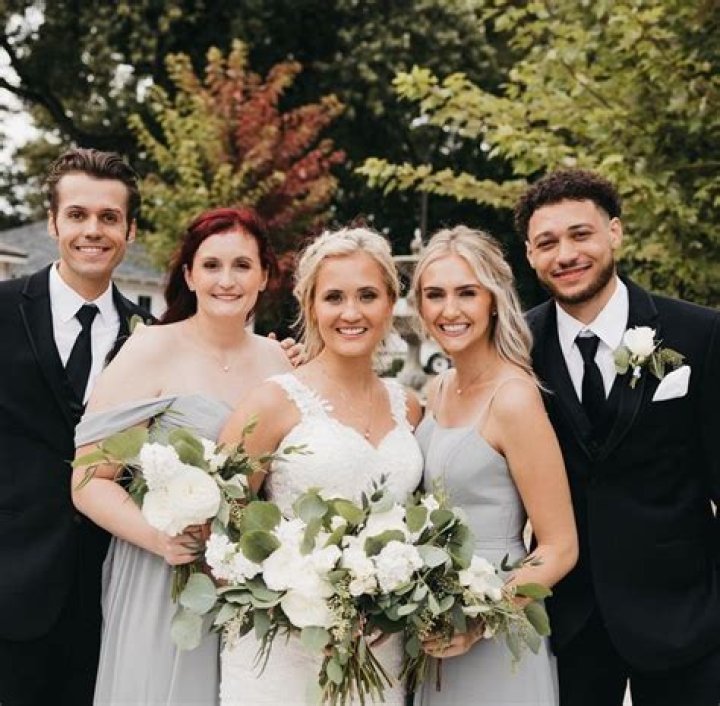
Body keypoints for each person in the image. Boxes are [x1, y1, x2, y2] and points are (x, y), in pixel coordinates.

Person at [71, 207, 293, 705]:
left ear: (264, 276)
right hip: (164, 577)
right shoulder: (150, 349)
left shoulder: (280, 360)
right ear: (189, 276)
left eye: (242, 265)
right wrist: (159, 536)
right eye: (211, 265)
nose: (226, 280)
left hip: (253, 585)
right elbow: (88, 481)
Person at [516, 168, 720, 706]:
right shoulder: (516, 346)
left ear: (615, 232)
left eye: (580, 234)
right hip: (567, 626)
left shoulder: (700, 334)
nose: (565, 254)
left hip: (687, 620)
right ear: (531, 255)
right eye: (547, 243)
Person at [218, 226, 424, 705]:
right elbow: (223, 527)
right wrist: (297, 604)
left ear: (390, 303)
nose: (351, 313)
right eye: (334, 297)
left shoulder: (409, 407)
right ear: (310, 306)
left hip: (381, 650)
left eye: (367, 295)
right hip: (284, 651)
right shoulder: (272, 402)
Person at [0, 148, 151, 706]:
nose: (93, 230)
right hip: (10, 587)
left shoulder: (153, 335)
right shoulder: (3, 309)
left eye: (109, 217)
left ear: (130, 230)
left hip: (112, 595)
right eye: (78, 214)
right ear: (53, 222)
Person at [410, 226, 577, 705]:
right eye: (435, 295)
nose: (450, 310)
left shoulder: (514, 397)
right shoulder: (439, 388)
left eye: (467, 292)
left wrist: (480, 621)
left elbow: (560, 547)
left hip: (496, 627)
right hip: (434, 623)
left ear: (494, 301)